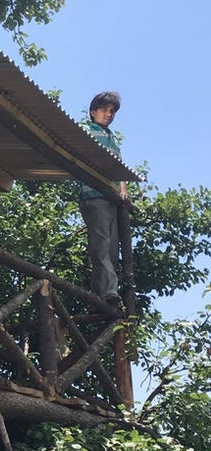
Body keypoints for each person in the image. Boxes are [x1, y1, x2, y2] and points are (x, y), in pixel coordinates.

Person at [79, 91, 128, 311]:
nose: (109, 115)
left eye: (112, 111)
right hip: (94, 195)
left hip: (111, 199)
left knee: (111, 252)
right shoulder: (86, 131)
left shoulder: (112, 139)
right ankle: (108, 292)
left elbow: (119, 170)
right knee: (100, 247)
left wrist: (123, 190)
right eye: (105, 110)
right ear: (93, 112)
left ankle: (98, 296)